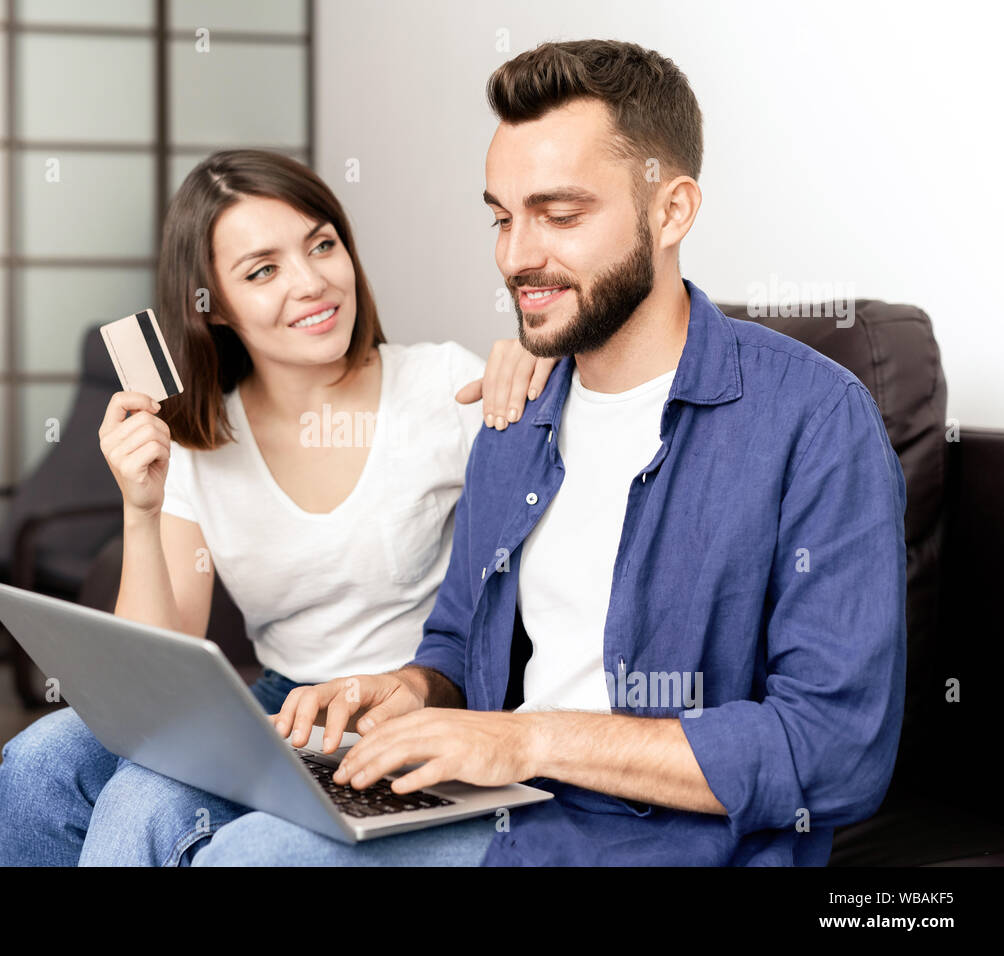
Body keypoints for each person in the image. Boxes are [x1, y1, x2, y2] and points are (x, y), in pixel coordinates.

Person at [195, 39, 908, 867]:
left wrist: (527, 742)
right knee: (138, 804)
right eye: (502, 217)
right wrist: (413, 691)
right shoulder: (517, 410)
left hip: (658, 842)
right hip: (492, 810)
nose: (515, 256)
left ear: (672, 211)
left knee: (252, 857)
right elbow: (460, 643)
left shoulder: (814, 421)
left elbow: (836, 751)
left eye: (560, 216)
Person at [0, 148, 556, 866]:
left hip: (419, 697)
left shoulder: (445, 388)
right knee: (42, 762)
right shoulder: (200, 438)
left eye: (322, 245)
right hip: (284, 707)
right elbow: (153, 680)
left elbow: (556, 498)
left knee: (144, 802)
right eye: (263, 271)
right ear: (214, 306)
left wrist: (539, 362)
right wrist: (140, 508)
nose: (312, 282)